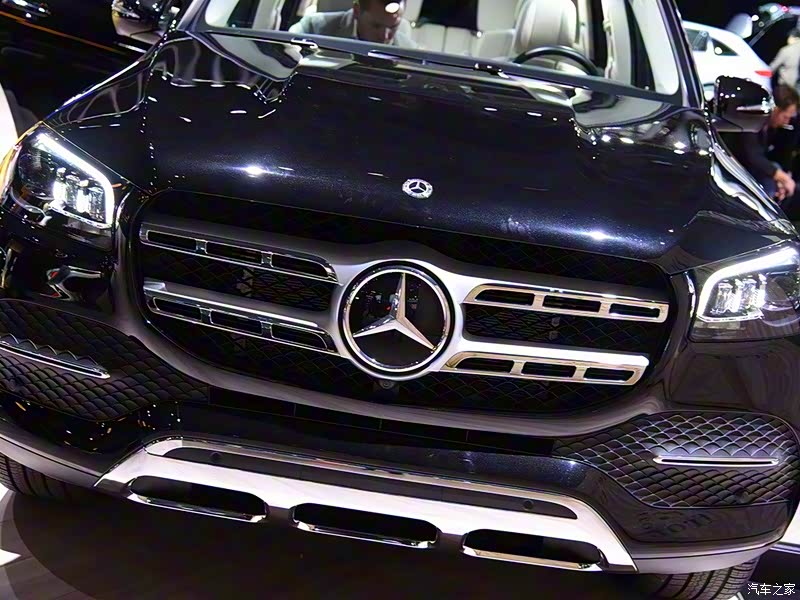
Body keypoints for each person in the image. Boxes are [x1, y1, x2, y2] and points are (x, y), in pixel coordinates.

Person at [724, 84, 799, 201]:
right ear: (776, 110)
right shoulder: (752, 120)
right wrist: (782, 177)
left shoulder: (772, 128)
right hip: (733, 168)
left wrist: (781, 177)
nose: (787, 122)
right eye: (785, 117)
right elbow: (753, 156)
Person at [289, 0, 417, 48]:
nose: (385, 36)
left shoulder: (410, 50)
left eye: (393, 27)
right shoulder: (312, 28)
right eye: (376, 26)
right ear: (357, 10)